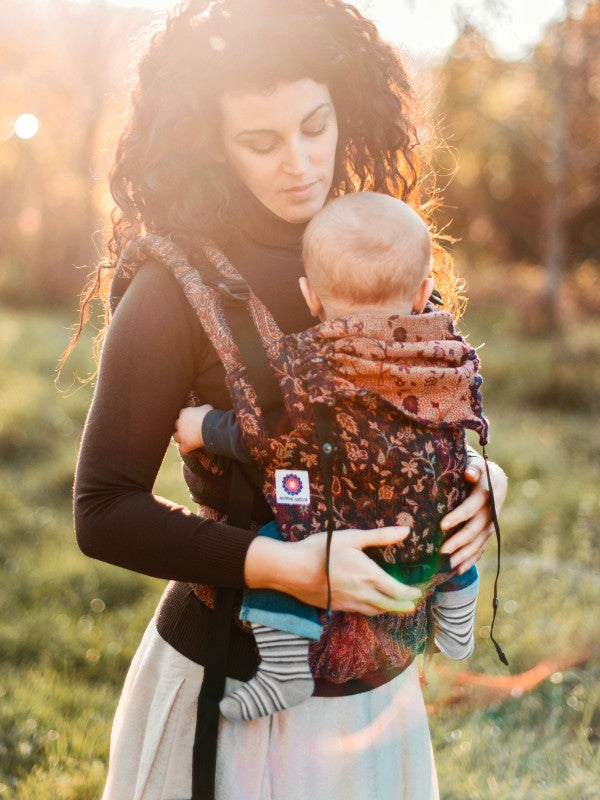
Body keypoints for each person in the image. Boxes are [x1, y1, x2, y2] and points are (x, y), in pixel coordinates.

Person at [70, 1, 508, 798]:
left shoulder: (374, 244)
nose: (301, 163)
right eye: (262, 142)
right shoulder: (173, 290)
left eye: (316, 125)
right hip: (234, 695)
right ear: (213, 141)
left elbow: (416, 413)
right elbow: (101, 509)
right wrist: (290, 566)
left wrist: (483, 483)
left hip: (377, 703)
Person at [172, 192, 483, 722]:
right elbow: (465, 421)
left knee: (275, 551)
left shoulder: (308, 364)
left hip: (337, 532)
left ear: (309, 296)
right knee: (456, 525)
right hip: (422, 528)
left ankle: (286, 669)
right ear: (423, 294)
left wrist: (204, 427)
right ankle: (457, 614)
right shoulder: (448, 353)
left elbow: (268, 435)